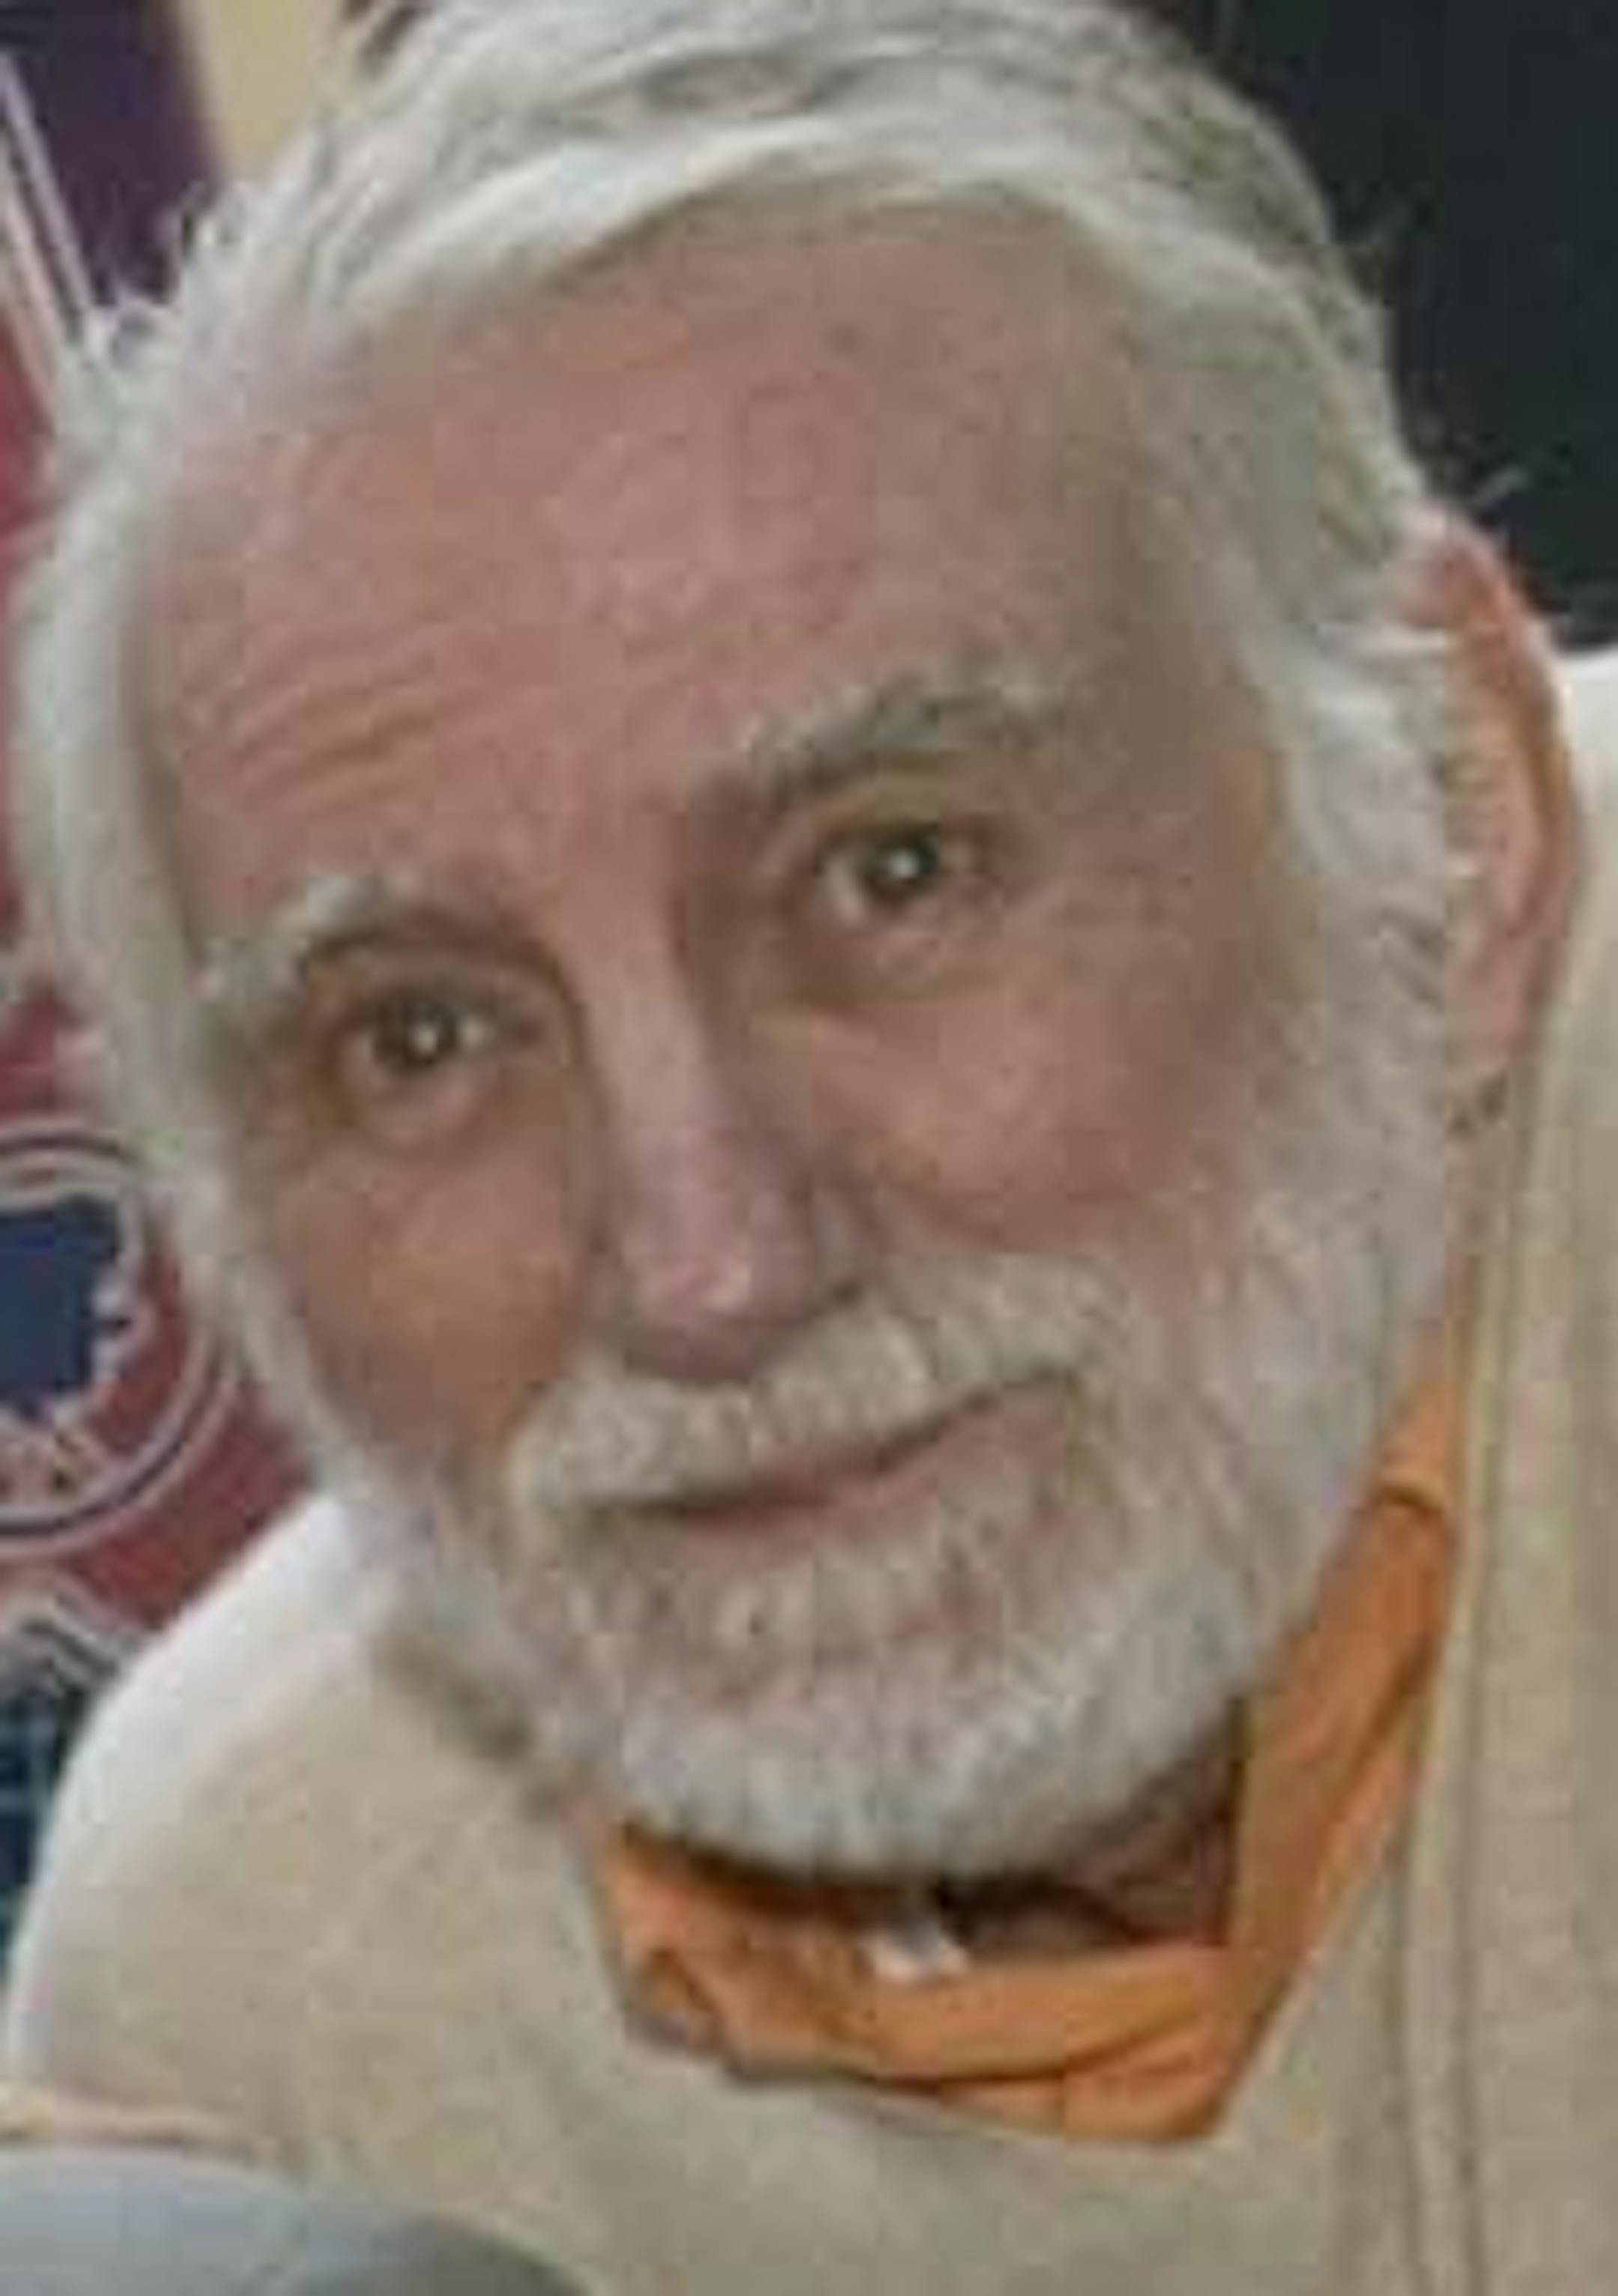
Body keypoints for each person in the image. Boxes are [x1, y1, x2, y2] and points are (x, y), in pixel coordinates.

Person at [1, 1, 1612, 2289]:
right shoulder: (277, 1984)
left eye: (895, 873)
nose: (710, 1255)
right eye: (423, 1035)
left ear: (1450, 817)